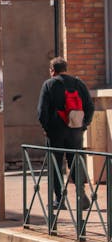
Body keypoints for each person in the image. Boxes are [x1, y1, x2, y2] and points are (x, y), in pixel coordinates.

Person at [36, 57, 94, 209]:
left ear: (52, 70)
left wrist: (47, 129)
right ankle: (81, 196)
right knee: (75, 162)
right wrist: (83, 125)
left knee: (56, 164)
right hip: (75, 130)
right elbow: (90, 106)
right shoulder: (79, 83)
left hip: (56, 131)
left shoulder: (49, 84)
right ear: (65, 68)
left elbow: (42, 112)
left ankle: (60, 199)